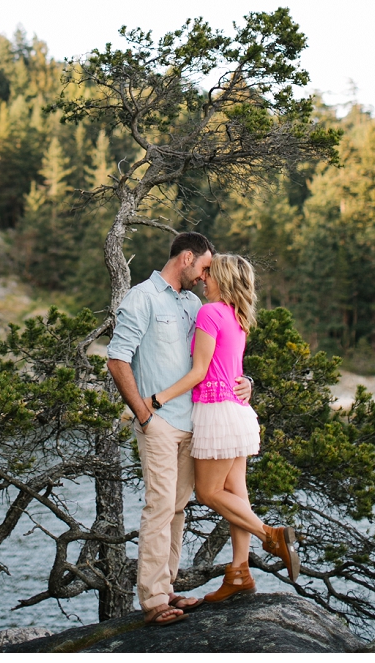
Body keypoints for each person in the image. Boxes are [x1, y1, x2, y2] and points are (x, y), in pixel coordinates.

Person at [106, 232, 253, 626]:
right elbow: (117, 358)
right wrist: (143, 414)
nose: (206, 277)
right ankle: (152, 599)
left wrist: (247, 381)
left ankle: (166, 587)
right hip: (159, 423)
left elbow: (215, 358)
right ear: (187, 257)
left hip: (196, 424)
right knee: (158, 506)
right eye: (205, 267)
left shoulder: (194, 304)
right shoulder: (143, 297)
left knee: (177, 508)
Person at [150, 252, 301, 601]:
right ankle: (239, 573)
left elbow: (200, 372)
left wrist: (156, 399)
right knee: (236, 493)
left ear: (224, 280)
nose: (204, 279)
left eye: (210, 275)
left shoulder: (209, 312)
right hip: (238, 413)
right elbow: (231, 366)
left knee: (207, 493)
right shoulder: (238, 315)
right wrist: (247, 380)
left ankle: (271, 536)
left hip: (216, 412)